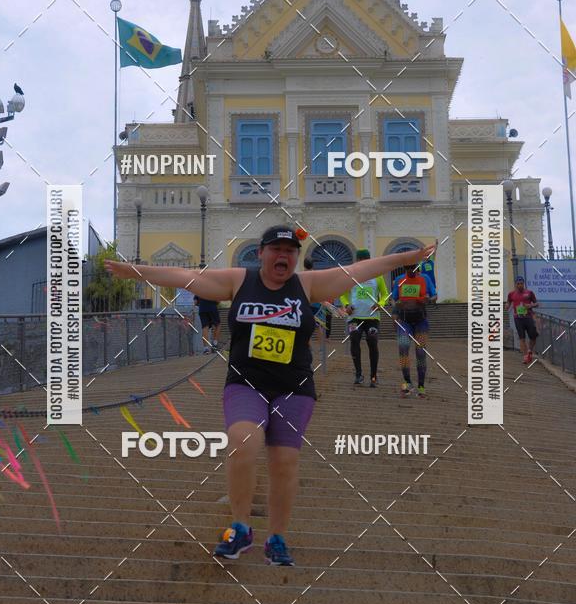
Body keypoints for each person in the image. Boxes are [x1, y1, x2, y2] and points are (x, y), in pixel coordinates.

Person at [105, 228, 436, 566]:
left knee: (283, 461)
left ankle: (276, 537)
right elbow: (186, 276)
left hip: (294, 387)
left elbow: (360, 271)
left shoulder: (307, 285)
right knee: (242, 439)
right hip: (246, 382)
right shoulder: (239, 280)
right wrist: (136, 271)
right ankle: (241, 527)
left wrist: (407, 258)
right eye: (276, 249)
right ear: (261, 253)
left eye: (290, 251)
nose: (283, 256)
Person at [340, 249, 389, 388]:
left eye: (365, 260)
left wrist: (380, 304)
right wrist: (346, 305)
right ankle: (358, 374)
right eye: (360, 261)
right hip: (354, 317)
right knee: (354, 339)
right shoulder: (351, 276)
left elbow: (385, 294)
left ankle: (373, 377)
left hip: (372, 318)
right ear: (357, 261)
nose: (363, 263)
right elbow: (343, 295)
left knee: (372, 342)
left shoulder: (377, 276)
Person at [392, 262, 437, 398]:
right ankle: (407, 383)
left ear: (417, 268)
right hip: (404, 321)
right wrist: (397, 305)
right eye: (407, 268)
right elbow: (393, 300)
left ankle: (421, 385)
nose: (410, 270)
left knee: (420, 352)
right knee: (403, 348)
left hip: (420, 321)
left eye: (413, 268)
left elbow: (435, 296)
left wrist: (428, 300)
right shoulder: (399, 280)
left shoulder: (425, 279)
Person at [506, 276, 539, 364]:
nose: (520, 285)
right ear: (515, 284)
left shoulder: (529, 293)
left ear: (523, 284)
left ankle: (529, 351)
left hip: (528, 317)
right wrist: (507, 305)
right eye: (518, 284)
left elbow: (537, 304)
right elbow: (508, 301)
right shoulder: (511, 294)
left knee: (533, 337)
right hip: (518, 318)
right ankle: (525, 357)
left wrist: (530, 306)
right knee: (522, 338)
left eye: (521, 283)